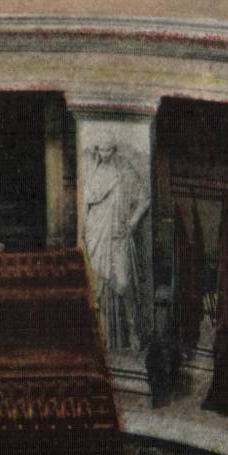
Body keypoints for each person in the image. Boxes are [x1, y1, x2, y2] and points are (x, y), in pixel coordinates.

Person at [83, 140, 151, 353]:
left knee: (123, 282)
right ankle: (102, 336)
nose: (103, 153)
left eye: (107, 149)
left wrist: (132, 223)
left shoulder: (125, 171)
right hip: (98, 235)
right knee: (99, 285)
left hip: (119, 236)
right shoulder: (93, 174)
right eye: (100, 149)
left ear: (114, 150)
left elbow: (145, 198)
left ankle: (133, 333)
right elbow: (86, 205)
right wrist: (86, 231)